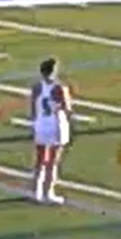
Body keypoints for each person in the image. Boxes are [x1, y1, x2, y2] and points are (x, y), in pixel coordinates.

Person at [30, 58, 73, 205]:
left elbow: (33, 108)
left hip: (41, 125)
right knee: (53, 161)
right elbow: (67, 108)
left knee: (40, 159)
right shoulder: (60, 88)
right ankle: (49, 192)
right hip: (56, 125)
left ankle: (36, 191)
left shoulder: (36, 87)